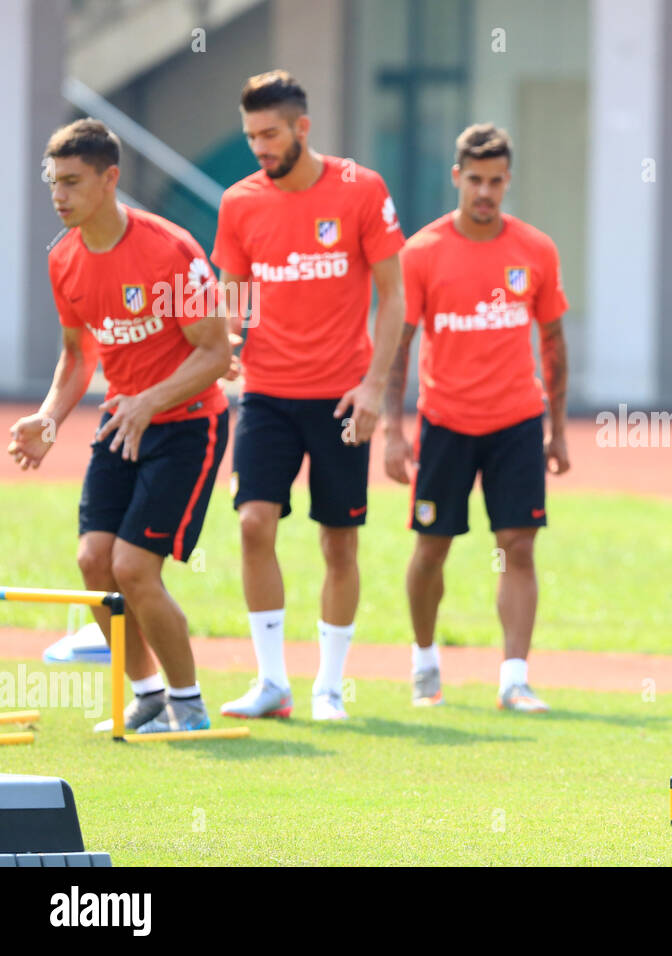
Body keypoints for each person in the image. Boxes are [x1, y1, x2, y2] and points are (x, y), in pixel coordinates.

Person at [8, 119, 231, 733]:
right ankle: (149, 695)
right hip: (121, 421)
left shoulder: (173, 251)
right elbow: (79, 356)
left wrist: (149, 400)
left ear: (111, 179)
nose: (59, 195)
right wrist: (48, 419)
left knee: (135, 567)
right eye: (54, 183)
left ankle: (190, 706)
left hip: (187, 424)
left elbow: (215, 354)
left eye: (73, 182)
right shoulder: (64, 259)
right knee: (93, 562)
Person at [212, 70, 406, 721]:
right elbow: (232, 293)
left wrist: (375, 386)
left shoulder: (361, 189)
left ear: (303, 128)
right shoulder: (239, 202)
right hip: (267, 395)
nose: (259, 148)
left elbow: (395, 295)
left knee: (337, 542)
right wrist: (230, 338)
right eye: (250, 137)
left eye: (269, 134)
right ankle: (272, 684)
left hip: (342, 398)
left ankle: (329, 686)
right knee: (251, 523)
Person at [383, 123, 570, 713]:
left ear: (507, 181)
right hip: (445, 421)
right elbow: (398, 345)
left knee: (518, 544)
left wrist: (557, 428)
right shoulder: (422, 252)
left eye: (496, 181)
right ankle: (424, 662)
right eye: (475, 180)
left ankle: (514, 678)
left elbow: (554, 342)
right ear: (457, 177)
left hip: (516, 420)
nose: (485, 192)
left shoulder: (536, 249)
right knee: (432, 546)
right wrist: (392, 430)